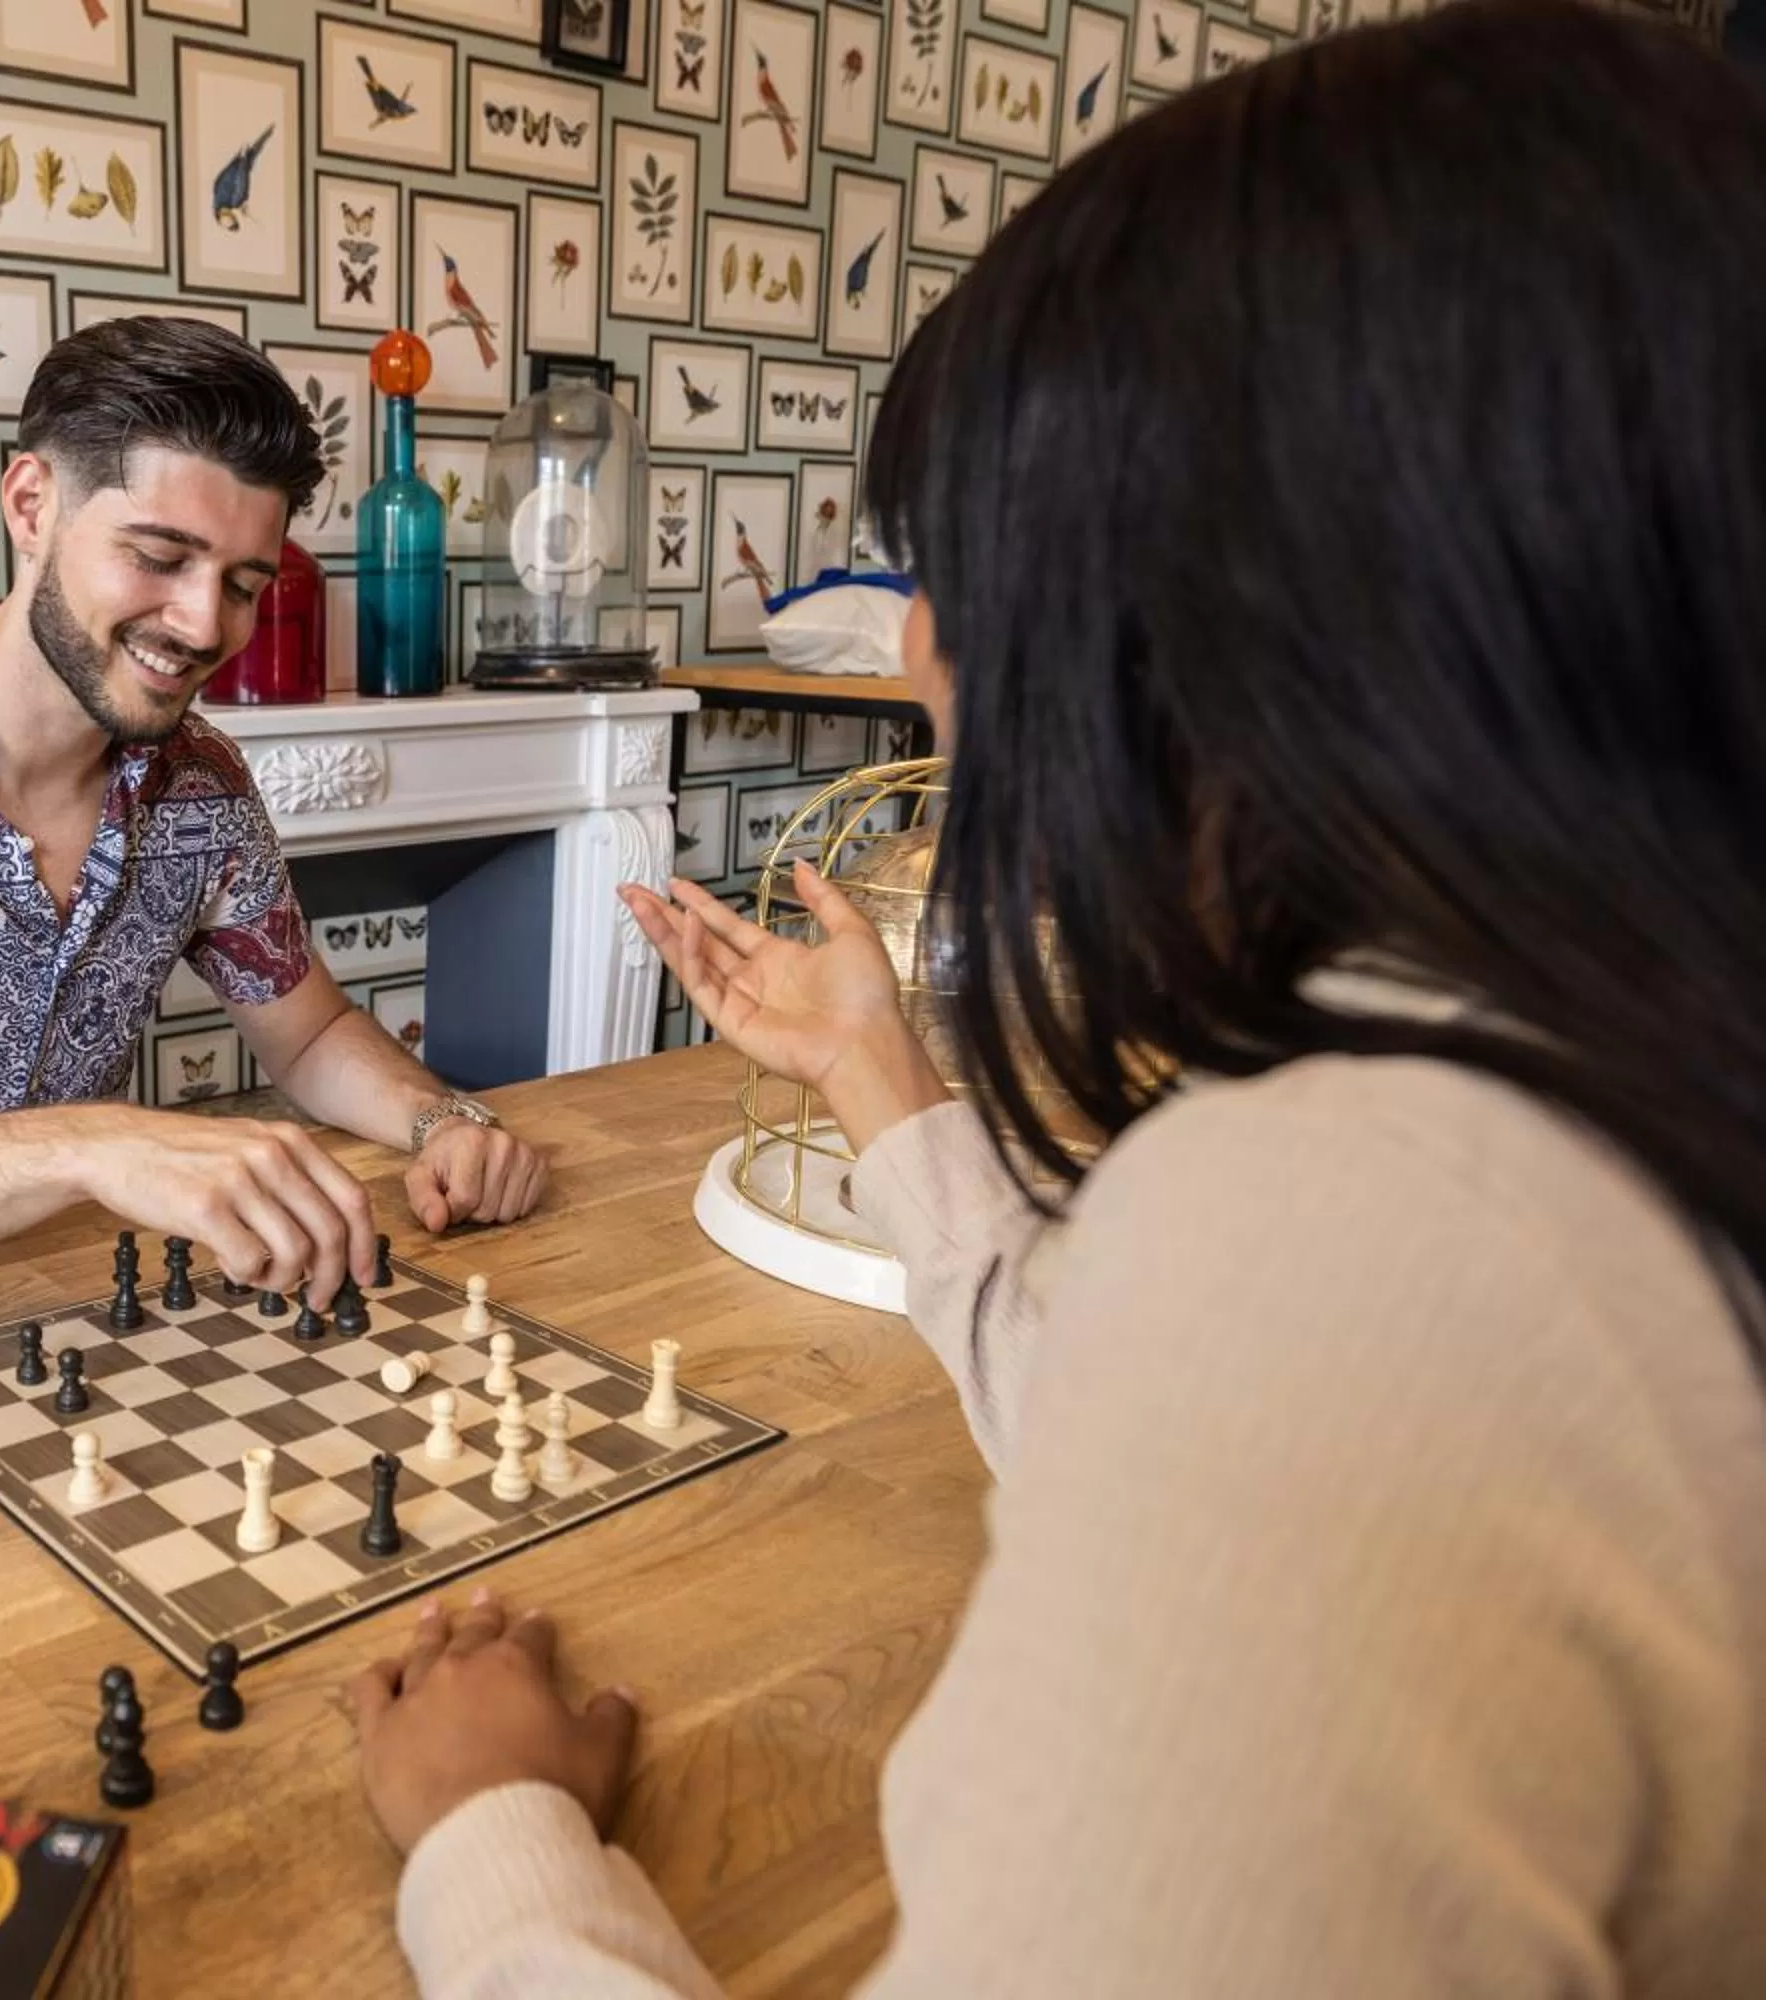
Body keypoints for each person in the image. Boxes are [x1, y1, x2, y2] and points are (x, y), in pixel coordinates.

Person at [349, 10, 1766, 1995]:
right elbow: (1175, 1404)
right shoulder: (1595, 1093)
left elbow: (1298, 1379)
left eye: (970, 560)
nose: (925, 643)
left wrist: (498, 1841)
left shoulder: (1370, 1232)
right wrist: (873, 1069)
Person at [0, 318, 548, 1303]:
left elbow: (309, 1031)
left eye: (243, 584)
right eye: (160, 556)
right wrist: (93, 1140)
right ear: (32, 504)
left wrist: (445, 1120)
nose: (207, 623)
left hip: (69, 1302)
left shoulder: (202, 783)